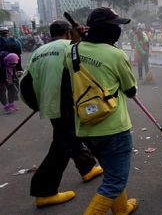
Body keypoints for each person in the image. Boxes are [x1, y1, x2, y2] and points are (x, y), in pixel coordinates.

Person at [19, 20, 103, 208]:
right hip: (69, 104)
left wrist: (37, 104)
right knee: (63, 144)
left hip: (51, 106)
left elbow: (25, 83)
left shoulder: (38, 52)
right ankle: (44, 190)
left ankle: (87, 167)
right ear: (68, 33)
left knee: (67, 138)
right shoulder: (71, 47)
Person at [64, 7, 138, 214]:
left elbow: (75, 55)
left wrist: (80, 40)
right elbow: (130, 90)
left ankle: (121, 209)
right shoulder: (115, 54)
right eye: (115, 26)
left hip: (86, 128)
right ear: (108, 30)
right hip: (113, 128)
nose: (118, 30)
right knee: (115, 181)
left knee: (110, 171)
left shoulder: (73, 51)